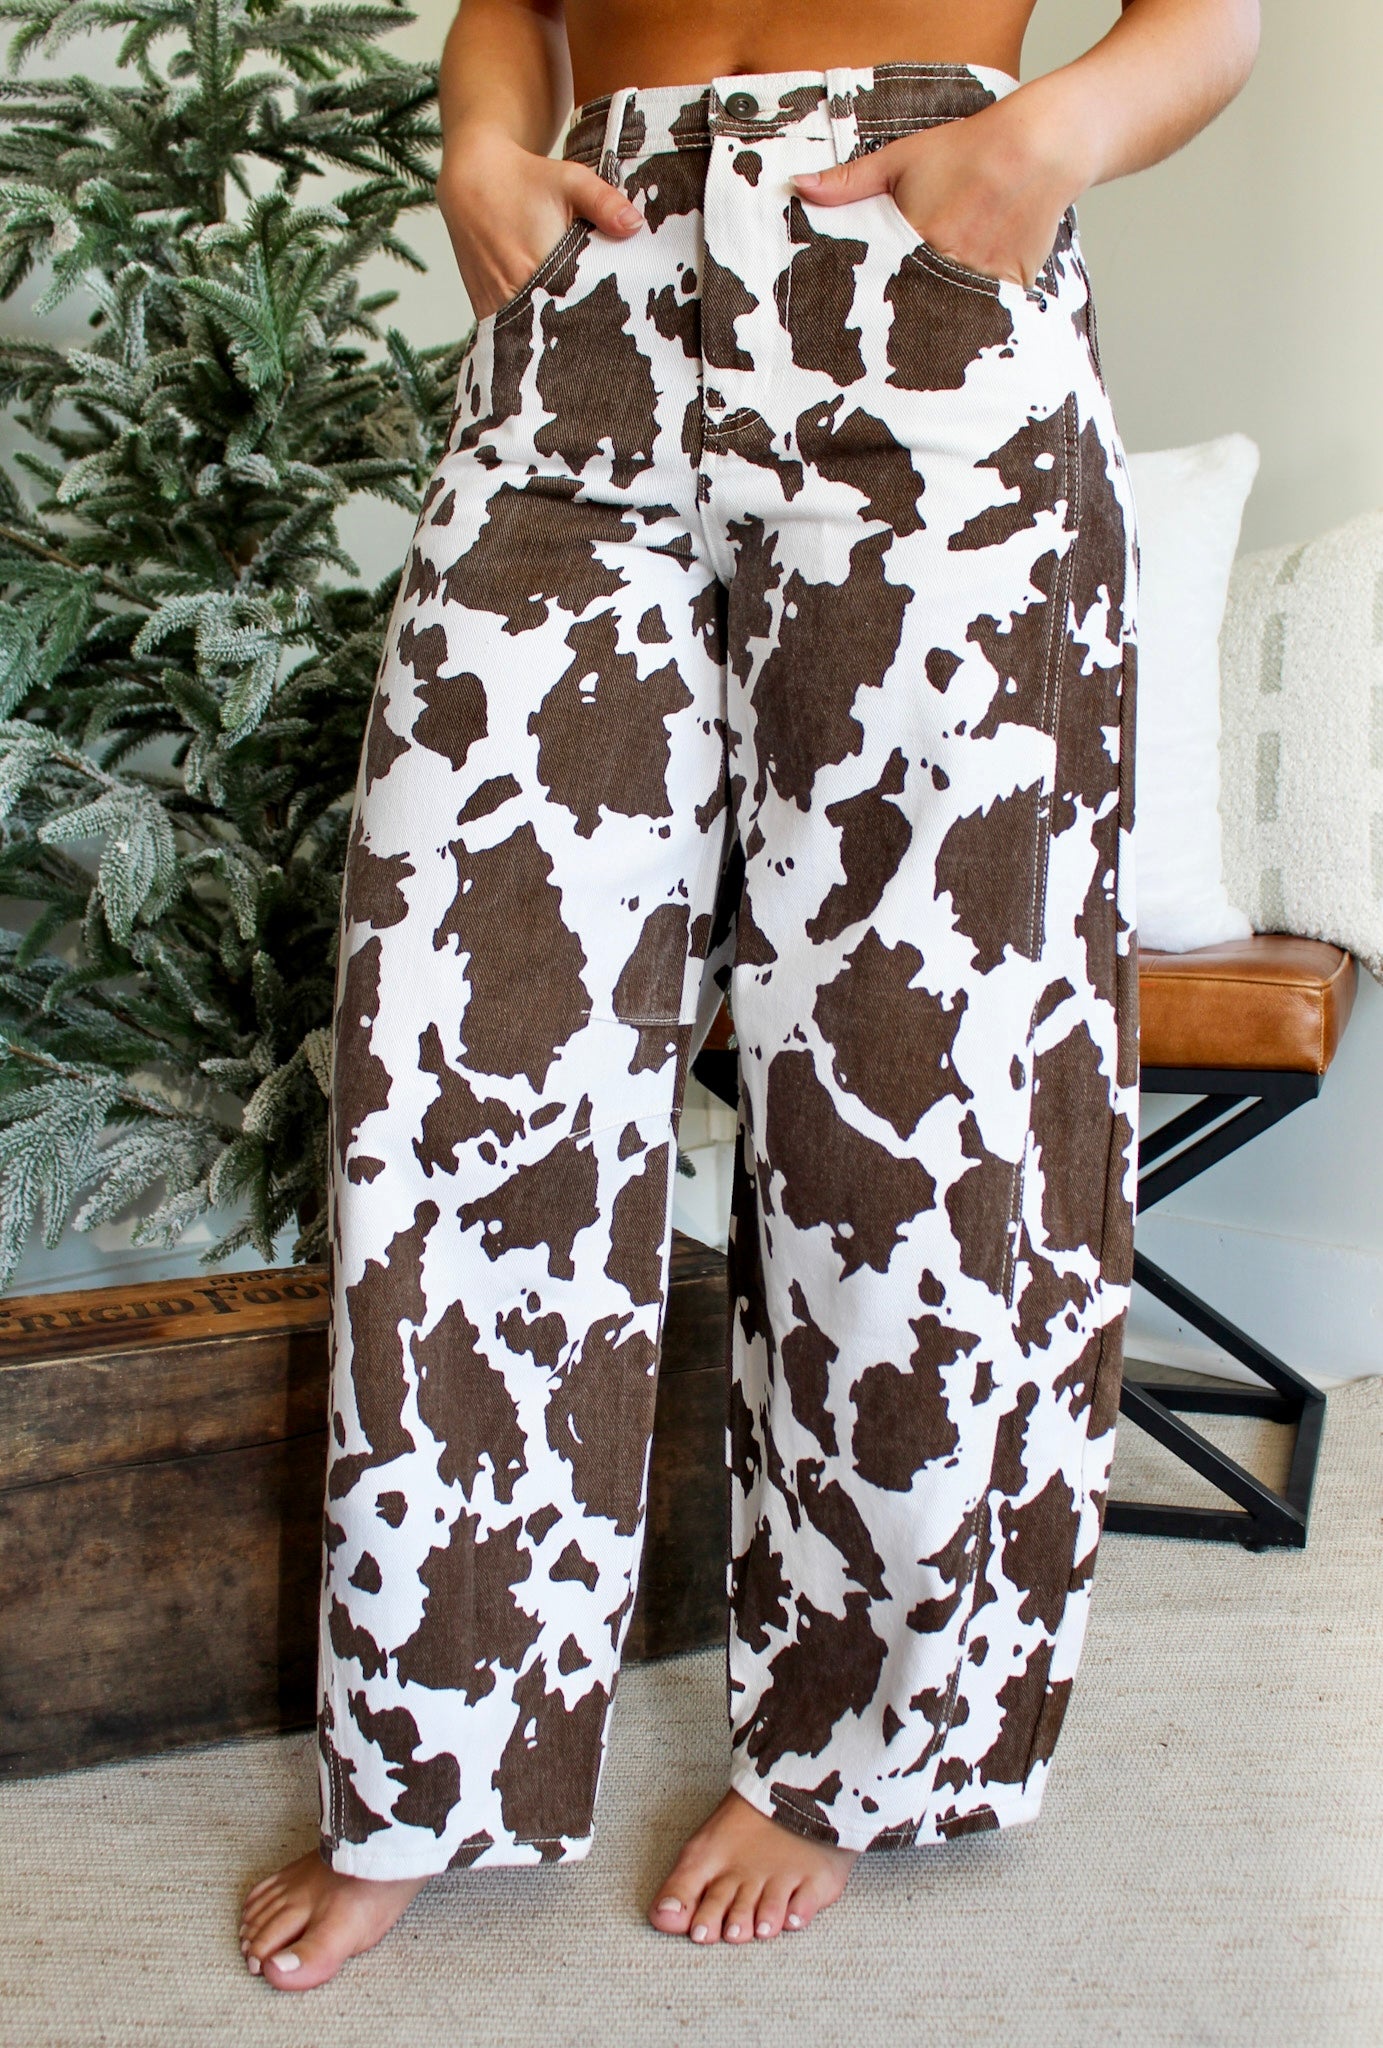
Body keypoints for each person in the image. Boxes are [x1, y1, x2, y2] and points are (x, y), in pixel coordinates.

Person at [239, 0, 1260, 1989]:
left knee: (924, 1073)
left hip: (922, 282)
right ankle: (436, 1757)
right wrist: (480, 146)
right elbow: (510, 8)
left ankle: (856, 1749)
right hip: (594, 306)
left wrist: (1044, 141)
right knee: (464, 1054)